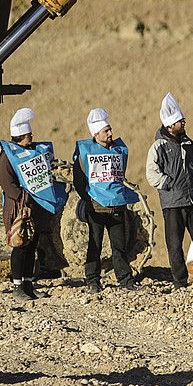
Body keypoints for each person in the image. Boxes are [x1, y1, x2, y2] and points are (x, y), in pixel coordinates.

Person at [146, 93, 193, 289]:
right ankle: (180, 282)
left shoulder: (192, 145)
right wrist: (169, 184)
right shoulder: (159, 147)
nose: (183, 123)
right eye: (180, 121)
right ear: (170, 125)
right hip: (172, 204)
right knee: (174, 245)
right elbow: (152, 173)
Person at [0, 108, 69, 301]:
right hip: (19, 208)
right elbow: (7, 184)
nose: (31, 137)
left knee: (32, 245)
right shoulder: (7, 157)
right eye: (28, 135)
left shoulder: (34, 152)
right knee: (20, 245)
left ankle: (28, 283)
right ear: (21, 136)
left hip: (36, 207)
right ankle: (17, 286)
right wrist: (25, 198)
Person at [74, 108, 139, 293]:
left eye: (110, 130)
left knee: (119, 246)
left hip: (117, 205)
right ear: (96, 133)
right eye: (106, 131)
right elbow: (78, 181)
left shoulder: (118, 150)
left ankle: (125, 279)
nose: (110, 133)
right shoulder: (84, 153)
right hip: (96, 208)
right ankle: (92, 280)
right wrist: (89, 200)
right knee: (95, 245)